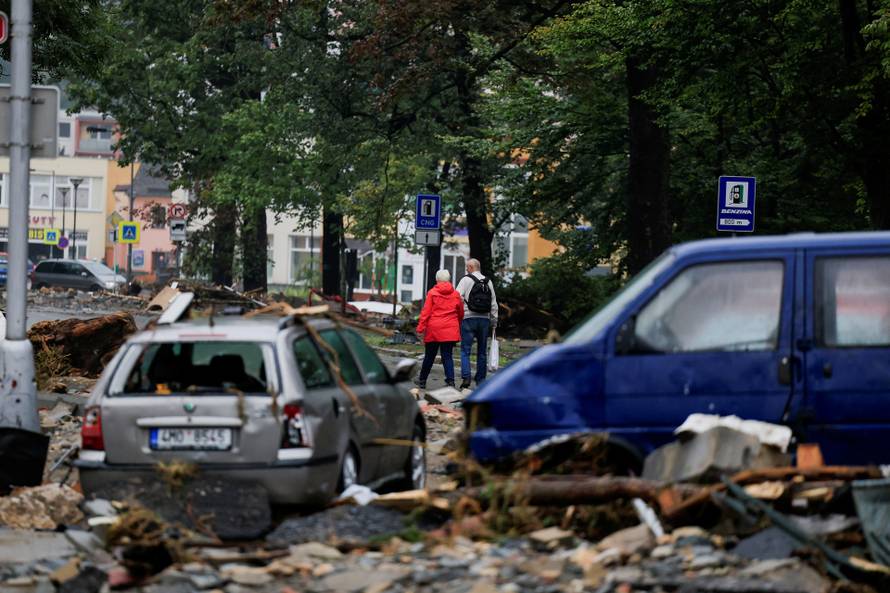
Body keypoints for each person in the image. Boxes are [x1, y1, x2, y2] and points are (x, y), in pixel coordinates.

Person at [415, 269, 464, 389]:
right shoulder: (456, 294)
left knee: (429, 356)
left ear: (437, 280)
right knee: (447, 356)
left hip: (434, 329)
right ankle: (451, 382)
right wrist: (457, 324)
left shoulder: (432, 293)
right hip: (450, 329)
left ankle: (422, 380)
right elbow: (460, 312)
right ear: (448, 279)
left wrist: (420, 328)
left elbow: (426, 312)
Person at [456, 258, 498, 389]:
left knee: (465, 350)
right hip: (484, 320)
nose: (466, 269)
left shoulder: (465, 280)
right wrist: (494, 320)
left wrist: (459, 314)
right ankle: (480, 380)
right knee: (482, 351)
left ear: (470, 267)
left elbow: (456, 298)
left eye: (467, 267)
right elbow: (493, 303)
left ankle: (466, 377)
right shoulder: (488, 281)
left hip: (468, 318)